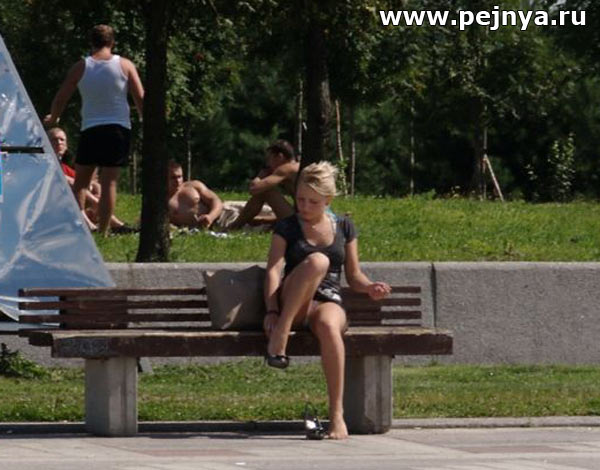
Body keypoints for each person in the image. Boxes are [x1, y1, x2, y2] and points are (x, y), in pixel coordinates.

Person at [262, 161, 391, 440]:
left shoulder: (344, 226)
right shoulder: (287, 227)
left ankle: (336, 416)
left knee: (331, 327)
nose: (304, 207)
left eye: (313, 201)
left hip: (328, 299)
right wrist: (272, 311)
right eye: (300, 199)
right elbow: (273, 270)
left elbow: (354, 275)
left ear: (328, 201)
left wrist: (370, 287)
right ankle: (281, 334)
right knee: (318, 261)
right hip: (294, 301)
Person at [44, 24, 144, 236]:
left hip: (91, 129)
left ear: (91, 42)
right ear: (112, 42)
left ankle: (80, 226)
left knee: (81, 183)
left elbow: (61, 97)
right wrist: (145, 119)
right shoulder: (125, 65)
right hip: (118, 129)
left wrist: (54, 117)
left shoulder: (81, 67)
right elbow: (140, 97)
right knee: (109, 183)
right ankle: (104, 231)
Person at [47, 127, 133, 233]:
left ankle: (101, 219)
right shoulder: (45, 162)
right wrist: (95, 201)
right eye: (54, 139)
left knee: (95, 186)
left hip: (68, 200)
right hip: (51, 200)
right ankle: (96, 224)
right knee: (70, 182)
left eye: (62, 140)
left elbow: (82, 180)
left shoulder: (64, 166)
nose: (59, 142)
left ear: (66, 145)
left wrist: (93, 188)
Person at [227, 140, 299, 230]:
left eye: (269, 159)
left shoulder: (286, 168)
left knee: (265, 191)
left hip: (300, 223)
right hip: (307, 218)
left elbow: (254, 188)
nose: (268, 164)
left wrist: (261, 175)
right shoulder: (297, 167)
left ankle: (234, 227)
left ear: (280, 157)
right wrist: (264, 220)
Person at [168, 160, 224, 229]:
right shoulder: (160, 201)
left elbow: (216, 200)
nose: (177, 181)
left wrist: (210, 217)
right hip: (196, 228)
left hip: (220, 215)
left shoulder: (193, 186)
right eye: (173, 177)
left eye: (179, 177)